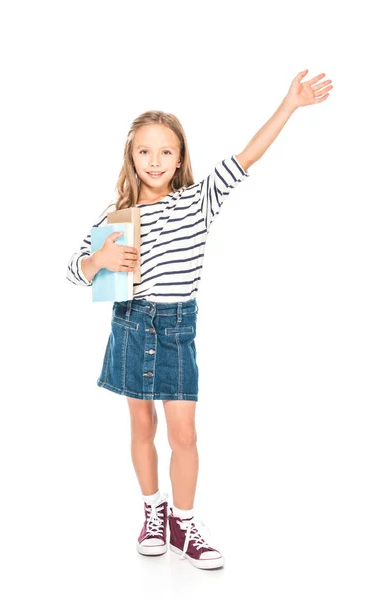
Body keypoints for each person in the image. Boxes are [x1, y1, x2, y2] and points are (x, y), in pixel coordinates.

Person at [66, 70, 333, 570]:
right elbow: (73, 272)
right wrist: (98, 260)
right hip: (130, 324)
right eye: (144, 151)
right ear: (131, 157)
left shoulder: (197, 201)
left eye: (166, 151)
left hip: (176, 328)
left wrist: (290, 103)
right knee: (140, 426)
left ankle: (182, 523)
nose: (154, 161)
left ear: (180, 157)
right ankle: (152, 512)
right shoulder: (116, 217)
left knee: (184, 433)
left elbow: (248, 155)